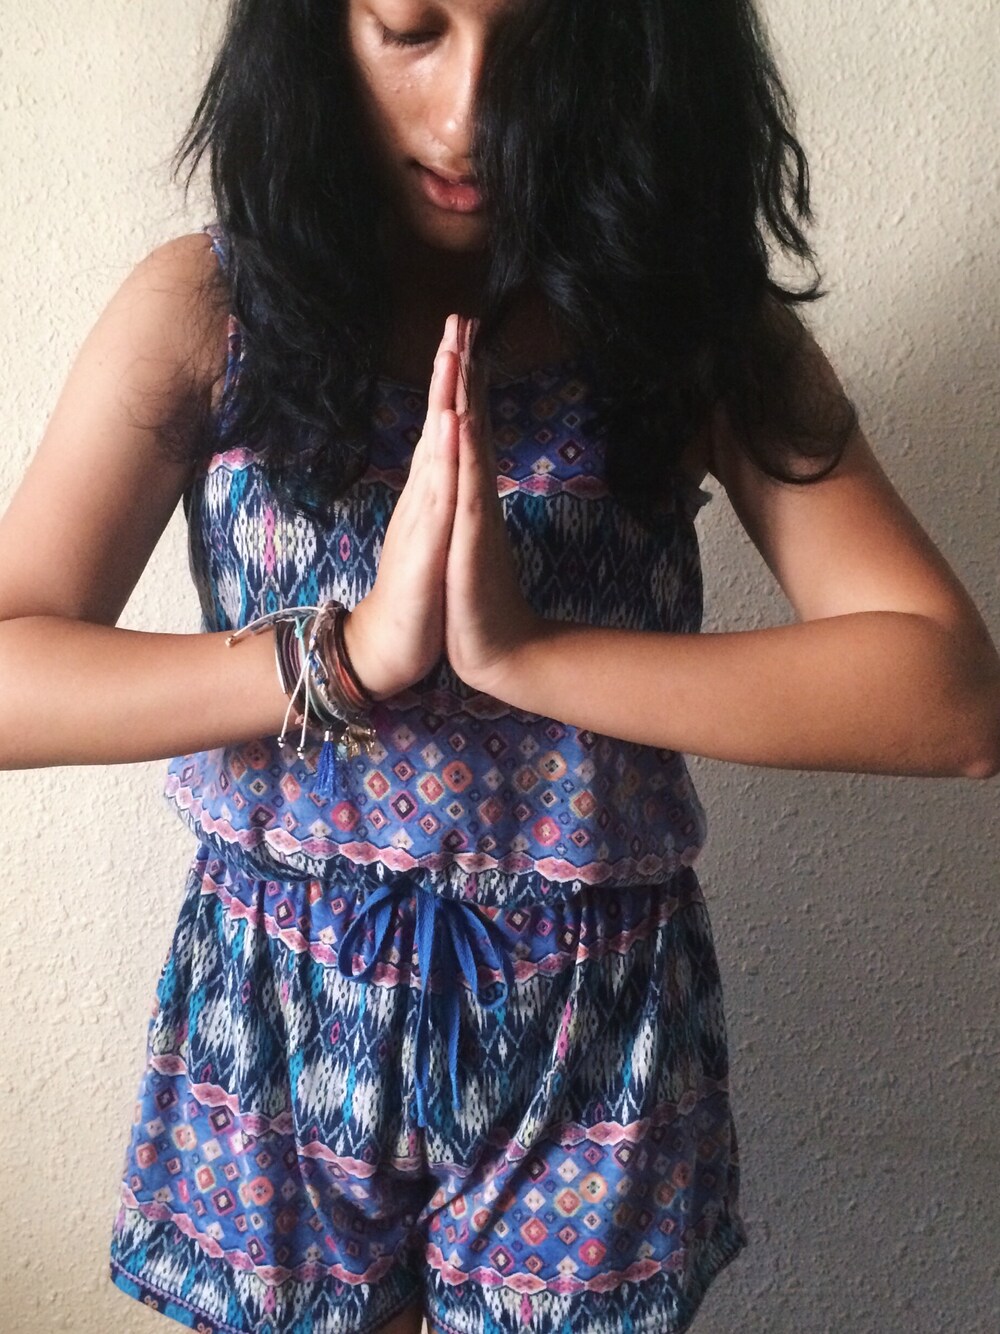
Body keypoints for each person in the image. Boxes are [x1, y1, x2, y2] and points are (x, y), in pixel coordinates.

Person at [1, 0, 998, 1331]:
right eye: (410, 28)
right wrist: (348, 655)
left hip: (588, 1024)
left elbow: (949, 697)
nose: (471, 112)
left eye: (537, 47)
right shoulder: (208, 309)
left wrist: (527, 654)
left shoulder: (691, 323)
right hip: (277, 1007)